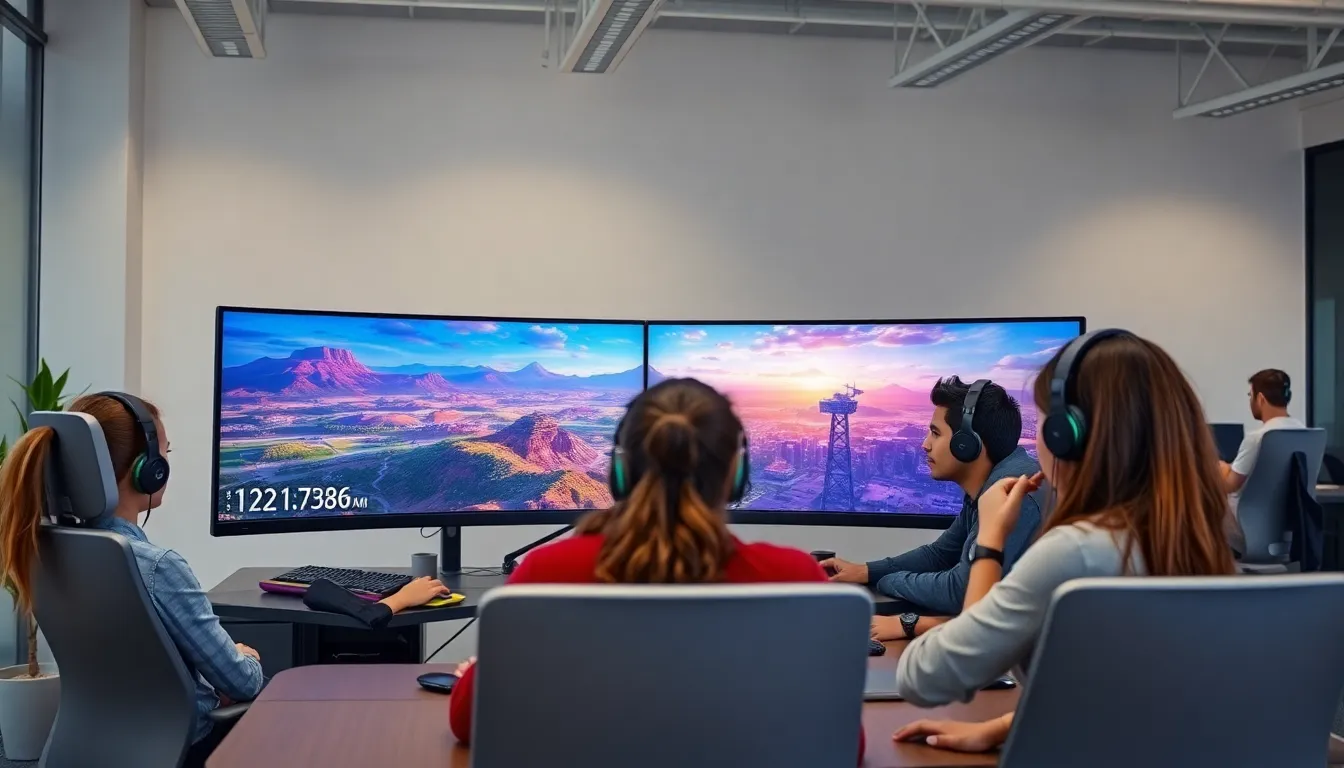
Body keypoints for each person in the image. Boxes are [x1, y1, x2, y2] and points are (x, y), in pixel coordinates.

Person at [0, 392, 451, 762]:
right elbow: (243, 683)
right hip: (188, 747)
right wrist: (240, 654)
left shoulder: (41, 546)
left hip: (84, 748)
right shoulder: (157, 566)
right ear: (147, 468)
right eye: (166, 455)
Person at [449, 378, 865, 762]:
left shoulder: (548, 571)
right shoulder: (792, 577)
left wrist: (474, 671)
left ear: (619, 473)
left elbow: (468, 722)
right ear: (736, 475)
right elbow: (844, 742)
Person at [890, 330, 1236, 753]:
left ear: (1065, 436)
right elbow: (1129, 690)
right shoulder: (1202, 539)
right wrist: (1002, 726)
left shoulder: (1076, 552)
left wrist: (990, 542)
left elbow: (928, 676)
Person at [820, 377, 1043, 641]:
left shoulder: (1015, 492)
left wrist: (890, 586)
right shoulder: (991, 486)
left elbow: (961, 589)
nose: (925, 444)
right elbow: (940, 554)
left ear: (967, 444)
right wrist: (867, 571)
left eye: (935, 433)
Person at [1218, 369, 1304, 557]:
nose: (1250, 401)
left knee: (1201, 494)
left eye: (1251, 395)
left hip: (1248, 527)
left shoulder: (1258, 438)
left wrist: (1220, 467)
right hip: (1290, 527)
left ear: (1261, 399)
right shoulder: (1303, 432)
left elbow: (1229, 485)